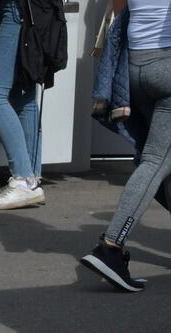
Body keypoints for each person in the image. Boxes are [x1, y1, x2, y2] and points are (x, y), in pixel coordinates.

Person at [80, 0, 171, 292]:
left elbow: (120, 11)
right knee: (156, 162)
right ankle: (111, 246)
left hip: (136, 67)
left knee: (161, 163)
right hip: (167, 67)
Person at [0, 0, 66, 210]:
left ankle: (23, 180)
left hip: (16, 12)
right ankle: (31, 180)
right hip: (34, 12)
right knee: (23, 95)